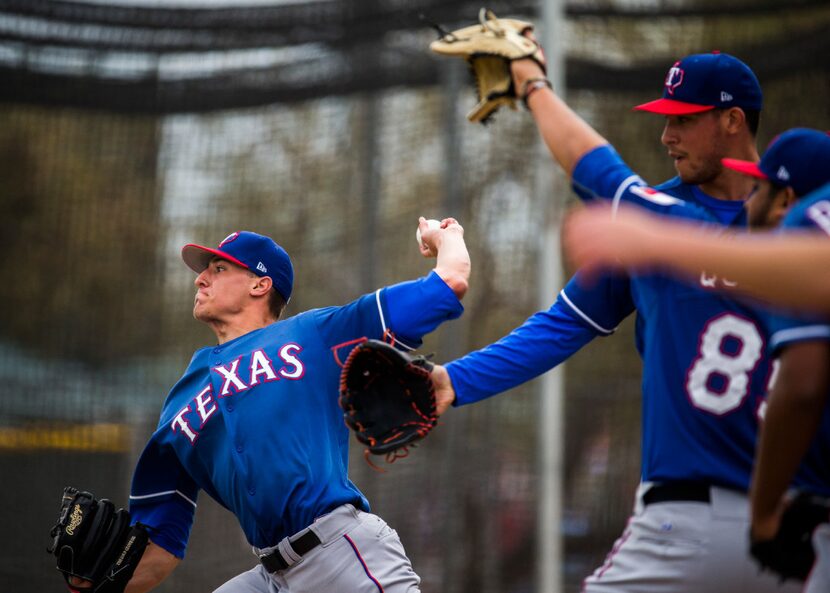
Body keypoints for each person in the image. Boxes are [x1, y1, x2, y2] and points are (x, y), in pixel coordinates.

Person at [432, 46, 804, 592]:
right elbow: (561, 325)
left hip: (691, 521)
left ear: (732, 120)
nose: (667, 136)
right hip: (797, 533)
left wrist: (532, 80)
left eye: (684, 119)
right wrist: (454, 380)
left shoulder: (651, 222)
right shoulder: (807, 234)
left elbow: (593, 165)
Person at [72, 218, 470, 593]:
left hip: (341, 553)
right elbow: (158, 549)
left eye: (218, 268)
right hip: (272, 575)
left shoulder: (315, 334)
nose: (201, 277)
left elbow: (447, 283)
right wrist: (92, 583)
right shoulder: (182, 398)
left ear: (260, 285)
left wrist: (447, 236)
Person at [563, 184, 830, 313]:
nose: (667, 136)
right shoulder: (673, 202)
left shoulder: (682, 218)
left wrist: (656, 241)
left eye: (684, 120)